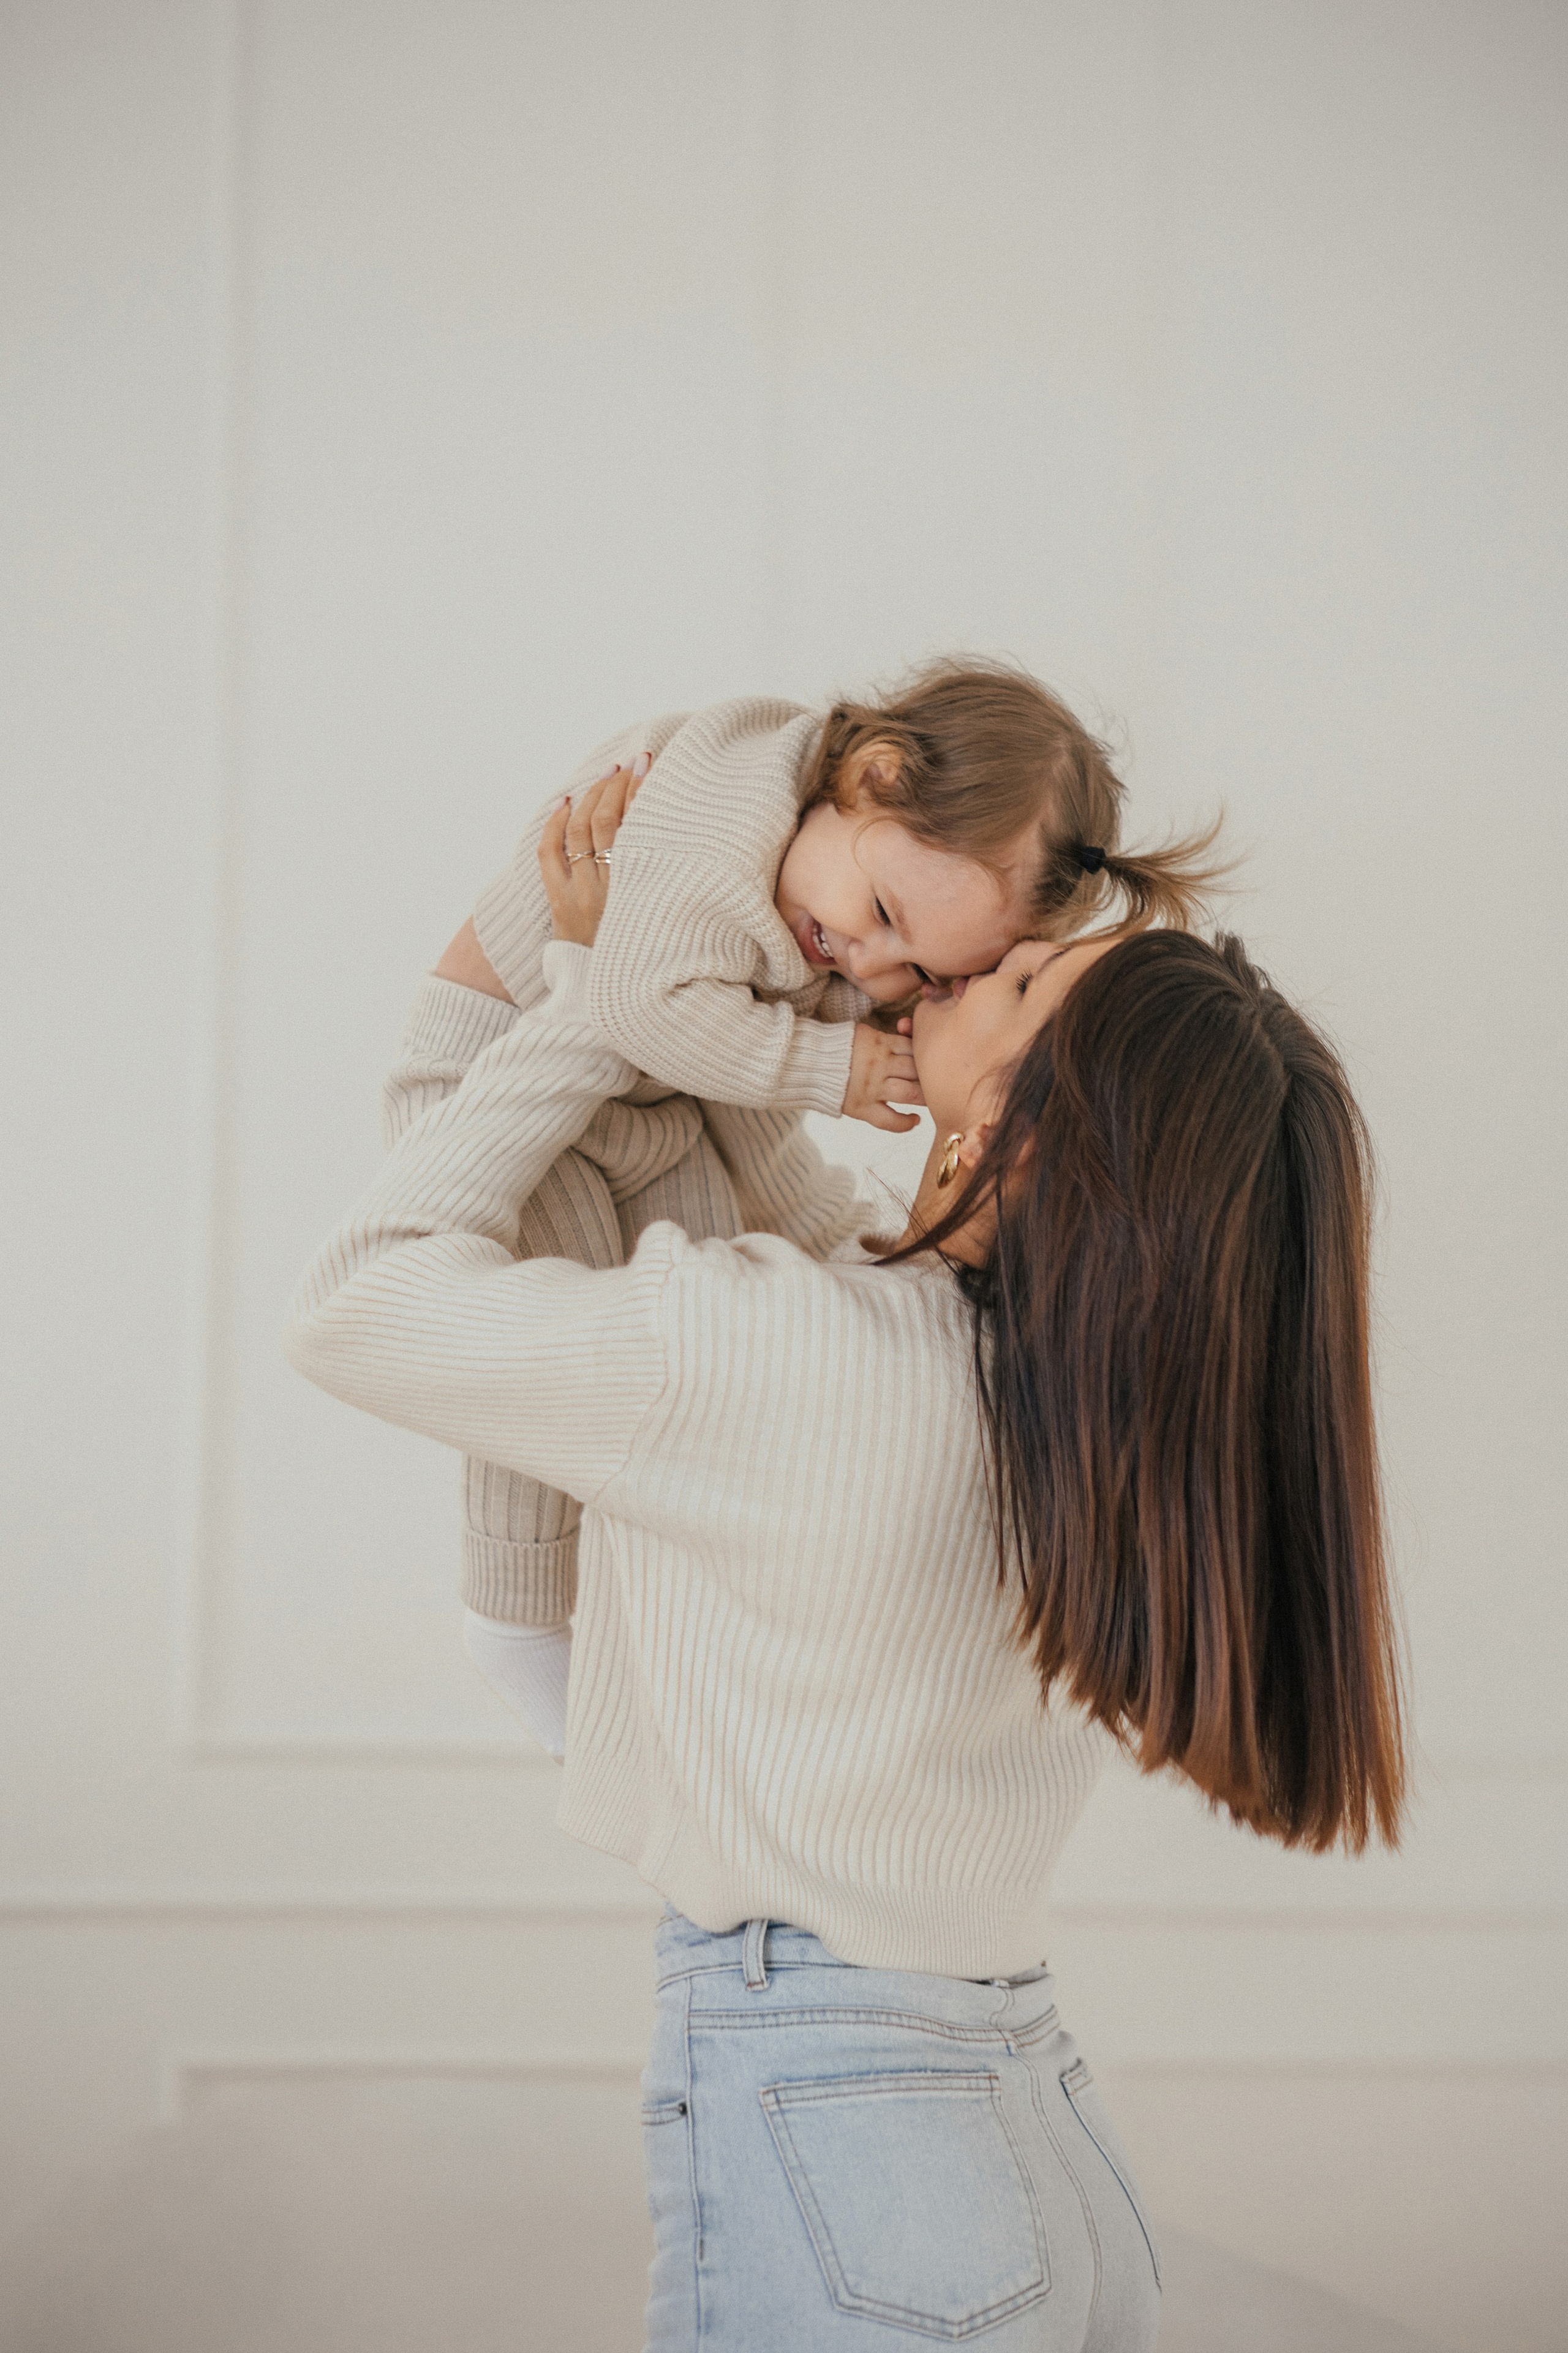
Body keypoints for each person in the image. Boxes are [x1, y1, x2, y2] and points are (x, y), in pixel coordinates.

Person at [285, 768, 1404, 2350]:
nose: (953, 968)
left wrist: (598, 1007)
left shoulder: (797, 1362)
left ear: (1022, 1122)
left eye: (1009, 981)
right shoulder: (1085, 1408)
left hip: (838, 2101)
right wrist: (687, 1014)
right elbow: (821, 1222)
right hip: (1018, 2114)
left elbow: (359, 1298)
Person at [426, 661, 1212, 1747]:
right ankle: (511, 1612)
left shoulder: (830, 857)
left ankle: (644, 1654)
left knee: (704, 1294)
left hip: (627, 1102)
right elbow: (637, 1005)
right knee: (534, 1355)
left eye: (928, 973)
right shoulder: (719, 827)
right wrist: (830, 1066)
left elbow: (758, 1142)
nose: (869, 963)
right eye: (883, 915)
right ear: (874, 773)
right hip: (497, 1089)